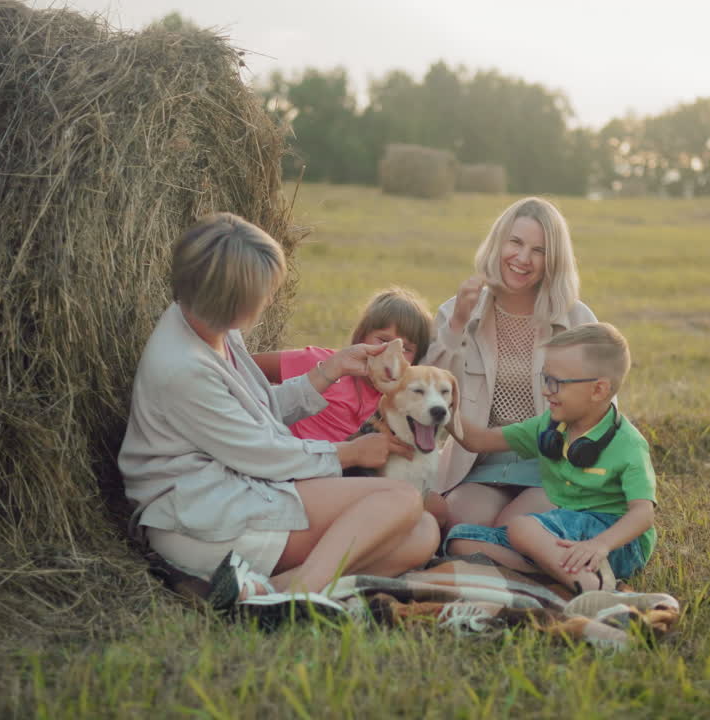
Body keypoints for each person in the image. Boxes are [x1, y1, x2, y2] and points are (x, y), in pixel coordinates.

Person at [119, 213, 440, 606]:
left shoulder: (210, 326)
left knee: (424, 533)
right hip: (201, 518)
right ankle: (298, 592)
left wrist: (330, 370)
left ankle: (262, 592)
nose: (270, 299)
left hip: (238, 488)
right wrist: (350, 453)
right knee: (403, 500)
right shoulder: (183, 368)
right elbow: (262, 454)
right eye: (264, 292)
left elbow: (259, 410)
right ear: (231, 299)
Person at [422, 197, 598, 530]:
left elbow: (601, 411)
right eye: (515, 242)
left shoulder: (578, 320)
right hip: (479, 465)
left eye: (539, 250)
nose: (522, 258)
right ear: (498, 243)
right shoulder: (457, 310)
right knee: (460, 525)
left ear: (553, 260)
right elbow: (429, 393)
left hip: (552, 467)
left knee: (518, 528)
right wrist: (457, 324)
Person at [444, 323, 656, 593]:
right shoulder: (551, 426)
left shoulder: (628, 444)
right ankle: (552, 575)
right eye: (545, 379)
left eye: (557, 382)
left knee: (521, 527)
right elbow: (479, 440)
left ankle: (597, 590)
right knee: (460, 541)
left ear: (598, 390)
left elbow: (643, 514)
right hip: (560, 532)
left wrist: (599, 545)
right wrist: (440, 405)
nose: (546, 391)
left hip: (616, 542)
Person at [251, 287, 432, 442]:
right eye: (383, 340)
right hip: (298, 467)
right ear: (362, 337)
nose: (392, 353)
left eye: (405, 348)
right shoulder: (320, 362)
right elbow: (242, 367)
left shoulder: (405, 401)